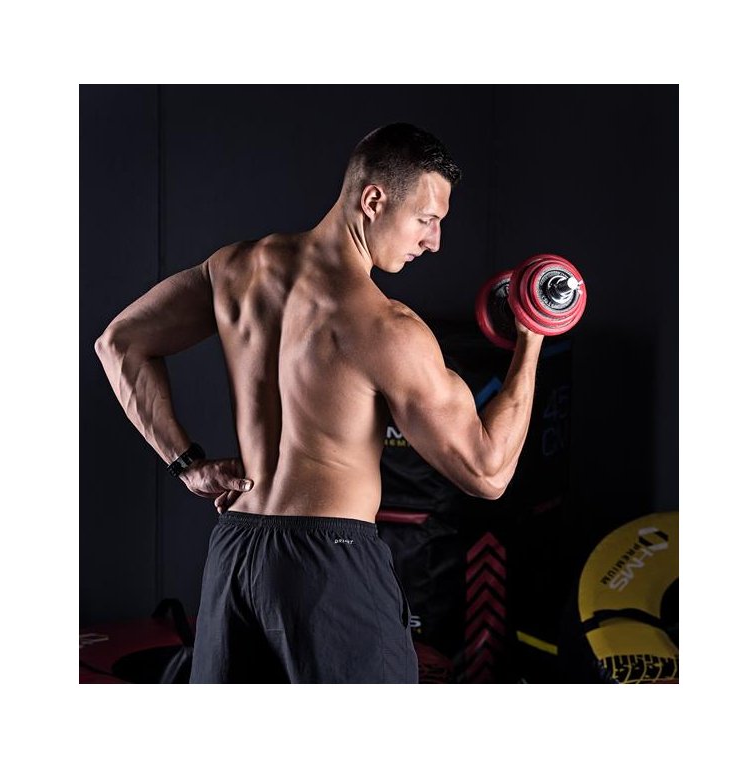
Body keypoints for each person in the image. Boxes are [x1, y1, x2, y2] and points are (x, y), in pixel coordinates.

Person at [95, 123, 546, 683]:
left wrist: (186, 464)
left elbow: (120, 343)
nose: (434, 241)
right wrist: (531, 339)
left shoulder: (235, 269)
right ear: (374, 200)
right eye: (426, 220)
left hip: (235, 552)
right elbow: (487, 472)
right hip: (328, 564)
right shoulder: (387, 328)